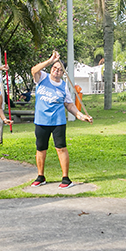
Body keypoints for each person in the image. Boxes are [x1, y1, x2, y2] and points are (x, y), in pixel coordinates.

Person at [30, 51, 93, 189]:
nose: (57, 71)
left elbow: (69, 105)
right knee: (41, 148)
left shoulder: (64, 85)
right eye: (54, 68)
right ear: (51, 68)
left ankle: (66, 178)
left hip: (58, 122)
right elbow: (34, 69)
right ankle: (40, 176)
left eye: (60, 70)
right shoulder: (42, 77)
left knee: (61, 148)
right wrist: (50, 60)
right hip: (41, 121)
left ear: (63, 73)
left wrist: (81, 116)